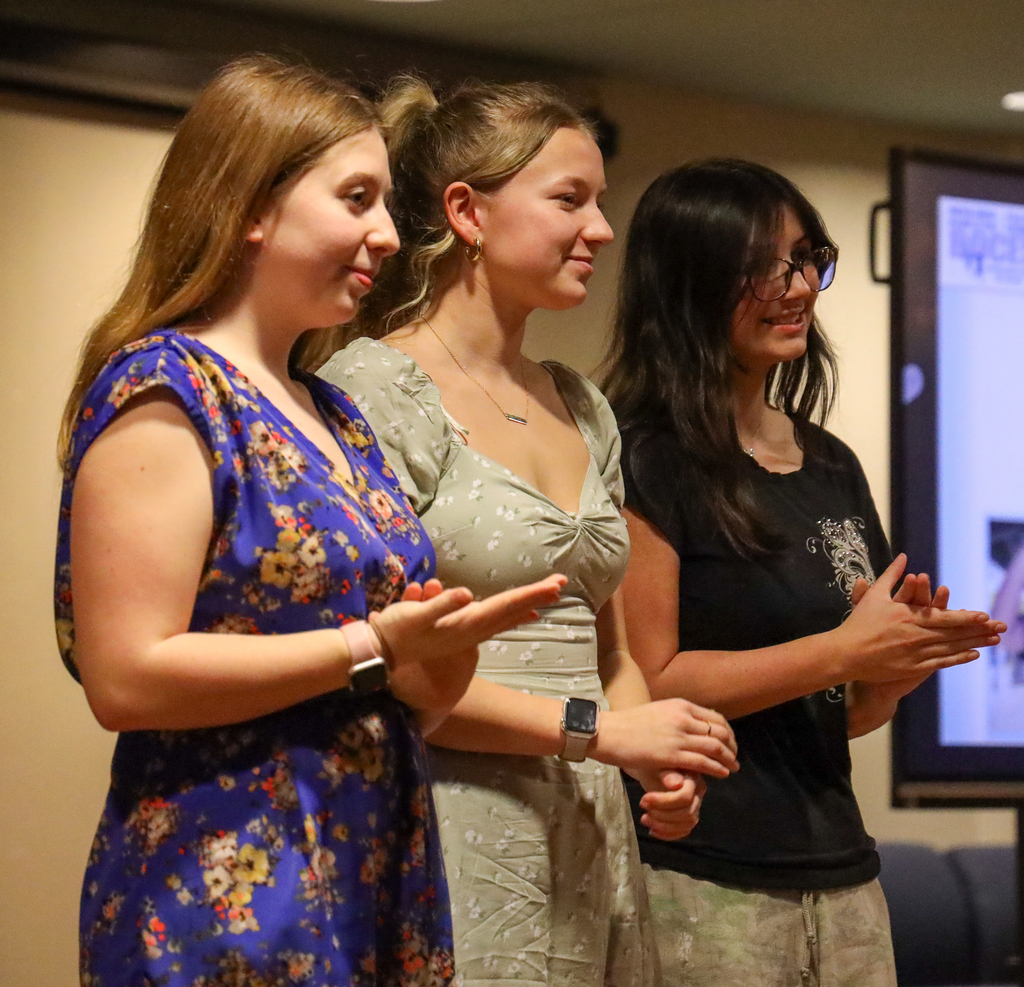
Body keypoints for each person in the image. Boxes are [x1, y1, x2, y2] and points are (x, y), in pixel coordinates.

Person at [53, 56, 567, 987]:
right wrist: (372, 645)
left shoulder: (335, 413)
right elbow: (127, 674)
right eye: (356, 198)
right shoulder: (168, 390)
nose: (385, 233)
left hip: (366, 863)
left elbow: (400, 680)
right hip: (228, 889)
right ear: (253, 208)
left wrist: (436, 656)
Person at [318, 78, 739, 987]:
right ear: (469, 212)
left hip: (591, 828)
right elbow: (387, 669)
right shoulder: (375, 391)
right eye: (570, 200)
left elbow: (612, 647)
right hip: (455, 818)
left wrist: (654, 753)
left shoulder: (582, 404)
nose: (601, 230)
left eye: (601, 202)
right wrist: (601, 732)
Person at [602, 158, 1006, 987]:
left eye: (805, 258)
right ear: (690, 281)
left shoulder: (829, 463)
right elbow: (652, 679)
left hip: (844, 873)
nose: (796, 287)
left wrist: (890, 669)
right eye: (763, 267)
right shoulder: (646, 455)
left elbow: (835, 714)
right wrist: (843, 651)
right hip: (703, 875)